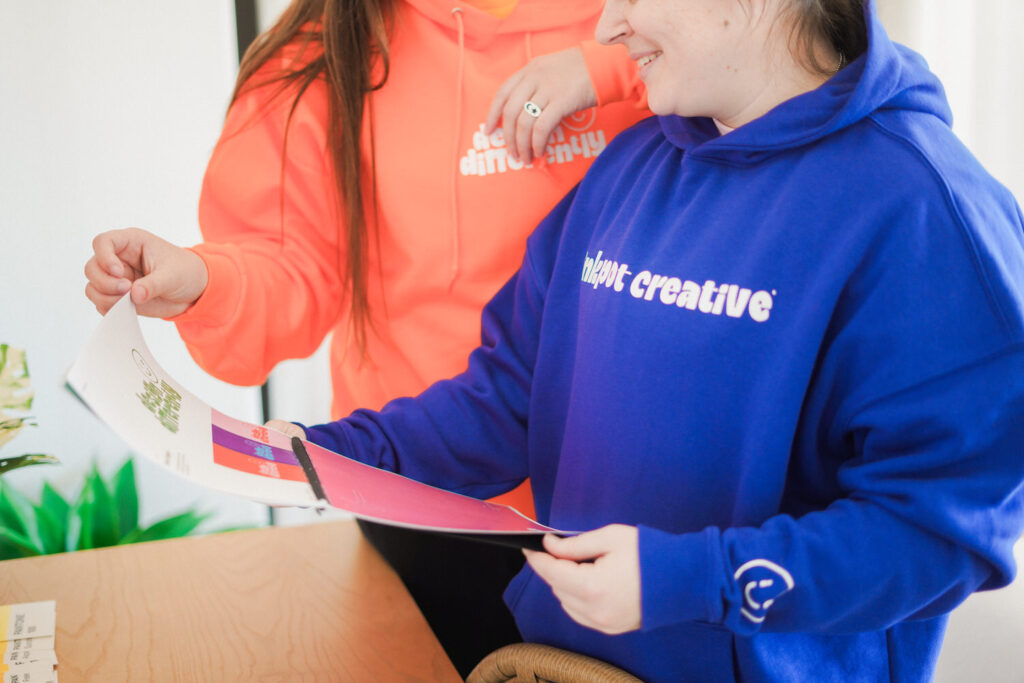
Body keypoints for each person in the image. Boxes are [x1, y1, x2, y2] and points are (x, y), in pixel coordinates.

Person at [263, 0, 1024, 680]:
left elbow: (935, 534)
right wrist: (336, 453)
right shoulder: (628, 170)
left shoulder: (927, 213)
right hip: (559, 663)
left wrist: (692, 578)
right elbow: (506, 400)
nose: (605, 25)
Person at [83, 0, 648, 675]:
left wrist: (608, 69)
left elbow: (777, 75)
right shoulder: (329, 42)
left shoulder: (639, 21)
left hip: (631, 499)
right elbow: (290, 264)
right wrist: (204, 278)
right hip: (427, 493)